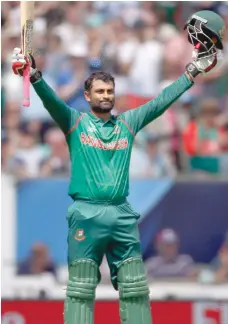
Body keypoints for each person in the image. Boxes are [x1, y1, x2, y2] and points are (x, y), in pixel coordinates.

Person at [11, 10, 225, 324]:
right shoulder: (75, 123)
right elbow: (51, 100)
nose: (106, 96)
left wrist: (190, 73)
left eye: (110, 92)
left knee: (135, 288)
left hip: (122, 214)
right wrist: (34, 74)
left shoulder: (127, 124)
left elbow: (160, 102)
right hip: (87, 212)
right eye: (100, 92)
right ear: (87, 96)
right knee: (81, 288)